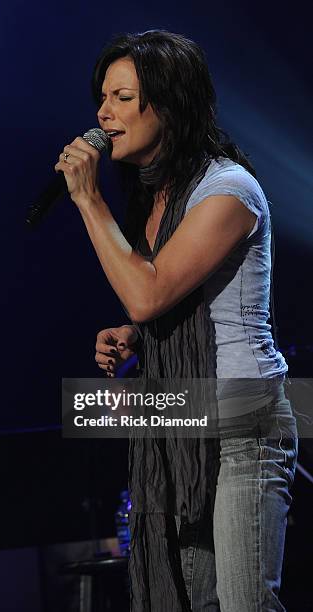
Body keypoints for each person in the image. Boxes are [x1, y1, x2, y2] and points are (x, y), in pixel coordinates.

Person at [54, 30, 298, 612]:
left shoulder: (228, 190)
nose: (102, 112)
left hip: (244, 421)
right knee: (192, 600)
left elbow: (149, 292)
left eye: (121, 97)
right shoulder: (157, 195)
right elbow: (167, 304)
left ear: (167, 104)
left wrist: (89, 201)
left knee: (244, 603)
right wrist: (136, 337)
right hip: (183, 419)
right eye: (102, 96)